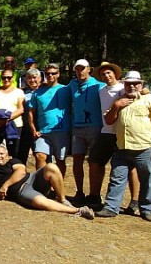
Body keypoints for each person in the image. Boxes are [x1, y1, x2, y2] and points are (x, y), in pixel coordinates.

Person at [96, 71, 151, 222]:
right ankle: (111, 208)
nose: (132, 86)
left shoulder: (150, 100)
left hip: (144, 148)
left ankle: (146, 209)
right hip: (122, 147)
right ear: (124, 84)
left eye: (136, 83)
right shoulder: (119, 99)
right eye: (129, 83)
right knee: (116, 178)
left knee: (147, 180)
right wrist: (116, 106)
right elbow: (108, 121)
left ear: (141, 85)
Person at [0, 145, 94, 220]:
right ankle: (77, 210)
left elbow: (21, 172)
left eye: (1, 154)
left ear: (7, 155)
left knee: (51, 167)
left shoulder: (12, 161)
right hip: (21, 192)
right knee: (39, 202)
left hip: (32, 179)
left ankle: (62, 199)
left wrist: (5, 186)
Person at [92, 62, 140, 212]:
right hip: (106, 132)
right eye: (103, 74)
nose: (106, 76)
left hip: (121, 133)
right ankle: (94, 196)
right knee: (94, 162)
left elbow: (141, 93)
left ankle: (135, 201)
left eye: (109, 73)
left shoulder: (124, 88)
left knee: (130, 167)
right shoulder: (101, 91)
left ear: (115, 74)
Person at [67, 59, 106, 204]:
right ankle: (79, 191)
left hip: (95, 127)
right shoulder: (72, 85)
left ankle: (95, 194)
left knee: (95, 162)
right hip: (77, 127)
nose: (80, 71)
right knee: (77, 160)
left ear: (89, 69)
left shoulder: (99, 85)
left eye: (83, 68)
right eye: (77, 69)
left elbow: (115, 89)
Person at [28, 64, 71, 176]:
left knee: (60, 160)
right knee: (40, 156)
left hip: (61, 131)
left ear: (58, 74)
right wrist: (33, 129)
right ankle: (41, 186)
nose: (50, 75)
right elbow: (31, 112)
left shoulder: (66, 89)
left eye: (53, 73)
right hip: (43, 132)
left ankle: (58, 186)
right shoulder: (38, 92)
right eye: (48, 73)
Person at [0, 69, 25, 159]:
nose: (6, 80)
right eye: (4, 77)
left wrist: (6, 119)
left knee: (14, 151)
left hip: (15, 125)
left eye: (9, 77)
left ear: (13, 78)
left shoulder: (19, 92)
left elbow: (21, 109)